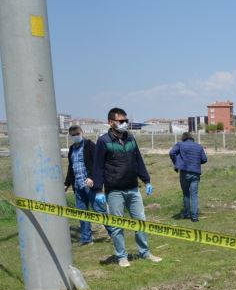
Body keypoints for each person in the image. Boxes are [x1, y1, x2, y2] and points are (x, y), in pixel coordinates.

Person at [92, 107, 162, 268]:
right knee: (117, 226)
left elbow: (138, 160)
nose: (124, 124)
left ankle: (144, 252)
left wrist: (147, 180)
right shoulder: (103, 141)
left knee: (141, 222)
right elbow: (98, 167)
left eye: (126, 121)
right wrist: (98, 190)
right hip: (114, 191)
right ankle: (121, 256)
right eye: (121, 121)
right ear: (111, 122)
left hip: (133, 188)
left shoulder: (131, 139)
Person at [64, 125, 98, 246]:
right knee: (82, 213)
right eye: (72, 135)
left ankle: (113, 234)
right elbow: (70, 167)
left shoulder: (89, 145)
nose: (75, 137)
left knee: (99, 210)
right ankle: (86, 238)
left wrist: (91, 177)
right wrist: (66, 184)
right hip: (78, 186)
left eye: (77, 134)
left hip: (89, 185)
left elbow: (96, 164)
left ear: (81, 133)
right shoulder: (71, 149)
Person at [169, 132, 208, 222]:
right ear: (192, 138)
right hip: (195, 173)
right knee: (194, 195)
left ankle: (186, 213)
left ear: (183, 138)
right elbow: (204, 159)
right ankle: (194, 217)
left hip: (184, 173)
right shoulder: (198, 146)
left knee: (186, 194)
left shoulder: (180, 145)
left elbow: (172, 153)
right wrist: (196, 162)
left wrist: (177, 162)